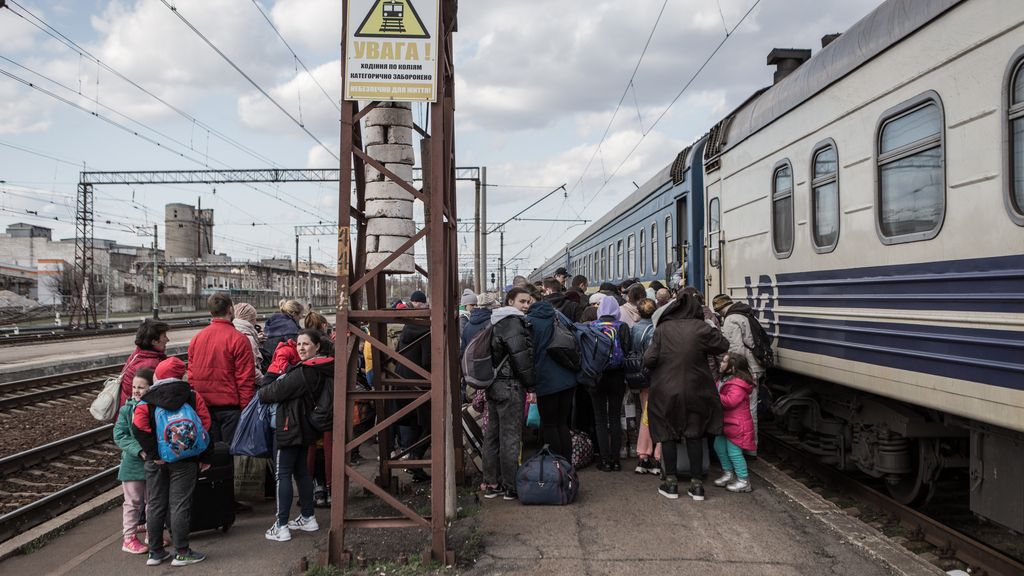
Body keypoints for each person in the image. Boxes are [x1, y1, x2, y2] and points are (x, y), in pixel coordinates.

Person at [643, 293, 730, 501]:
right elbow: (723, 345)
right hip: (696, 388)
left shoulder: (663, 329)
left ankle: (671, 483)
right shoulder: (701, 327)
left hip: (666, 390)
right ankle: (697, 486)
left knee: (667, 433)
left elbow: (649, 359)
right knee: (694, 433)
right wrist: (709, 326)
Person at [131, 357, 211, 566]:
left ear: (158, 376)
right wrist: (204, 456)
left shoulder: (147, 400)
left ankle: (155, 552)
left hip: (156, 462)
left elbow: (138, 428)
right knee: (180, 505)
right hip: (186, 459)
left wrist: (154, 455)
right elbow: (205, 425)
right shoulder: (192, 396)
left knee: (156, 504)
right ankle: (182, 552)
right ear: (181, 375)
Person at [258, 329, 333, 541]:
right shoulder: (322, 367)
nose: (301, 348)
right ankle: (308, 517)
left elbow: (267, 393)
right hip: (305, 426)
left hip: (288, 427)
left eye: (306, 344)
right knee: (302, 472)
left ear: (317, 346)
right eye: (298, 344)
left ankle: (281, 526)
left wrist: (272, 375)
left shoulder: (304, 372)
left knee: (282, 474)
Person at [482, 287, 536, 500]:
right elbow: (521, 359)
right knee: (511, 437)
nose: (526, 306)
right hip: (511, 385)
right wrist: (531, 386)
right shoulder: (513, 322)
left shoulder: (494, 320)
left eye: (528, 302)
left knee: (492, 435)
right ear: (510, 301)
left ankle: (491, 483)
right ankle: (511, 486)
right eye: (522, 301)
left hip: (493, 385)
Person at [187, 293, 255, 446]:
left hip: (204, 407)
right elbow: (245, 380)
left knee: (210, 451)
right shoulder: (239, 339)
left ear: (211, 312)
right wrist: (246, 411)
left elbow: (191, 376)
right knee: (230, 453)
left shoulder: (197, 338)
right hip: (231, 409)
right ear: (231, 309)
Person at [526, 297, 577, 460]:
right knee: (562, 423)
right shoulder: (559, 317)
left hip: (545, 380)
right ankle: (567, 464)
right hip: (568, 379)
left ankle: (555, 465)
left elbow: (529, 354)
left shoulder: (530, 323)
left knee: (549, 424)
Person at [712, 293, 765, 443]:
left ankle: (748, 444)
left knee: (746, 409)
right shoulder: (745, 314)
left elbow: (736, 350)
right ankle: (751, 444)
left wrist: (733, 371)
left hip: (745, 369)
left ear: (720, 309)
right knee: (751, 407)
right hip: (754, 365)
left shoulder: (730, 320)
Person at [589, 297, 632, 471]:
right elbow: (627, 351)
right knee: (615, 417)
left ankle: (604, 460)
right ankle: (616, 460)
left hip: (597, 376)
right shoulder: (622, 326)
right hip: (617, 376)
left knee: (600, 419)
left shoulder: (591, 326)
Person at [115, 367, 153, 555]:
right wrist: (139, 450)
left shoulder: (153, 408)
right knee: (132, 503)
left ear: (151, 388)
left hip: (151, 462)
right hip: (132, 464)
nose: (136, 391)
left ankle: (152, 534)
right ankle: (129, 538)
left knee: (152, 501)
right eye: (134, 387)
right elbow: (119, 434)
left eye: (141, 387)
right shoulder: (126, 410)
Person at [394, 290, 431, 483]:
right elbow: (427, 361)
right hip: (420, 384)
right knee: (432, 425)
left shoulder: (406, 330)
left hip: (401, 381)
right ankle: (415, 459)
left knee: (414, 424)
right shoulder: (426, 332)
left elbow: (397, 354)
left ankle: (413, 463)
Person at [713, 354, 756, 493]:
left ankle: (744, 480)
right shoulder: (723, 379)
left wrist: (713, 395)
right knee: (719, 446)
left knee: (734, 453)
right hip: (726, 422)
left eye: (724, 362)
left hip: (737, 424)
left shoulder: (738, 384)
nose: (720, 363)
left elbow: (730, 402)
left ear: (732, 368)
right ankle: (729, 473)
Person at [630, 298, 661, 475]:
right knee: (658, 415)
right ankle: (657, 455)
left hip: (640, 378)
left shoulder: (634, 328)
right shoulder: (656, 330)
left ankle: (643, 454)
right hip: (654, 377)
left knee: (645, 415)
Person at [119, 319, 169, 408]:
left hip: (126, 406)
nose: (167, 339)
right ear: (154, 342)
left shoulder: (137, 354)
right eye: (164, 336)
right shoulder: (150, 364)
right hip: (136, 412)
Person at [261, 299, 304, 368]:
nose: (301, 317)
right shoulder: (291, 329)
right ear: (294, 314)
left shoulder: (272, 322)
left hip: (266, 364)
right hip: (282, 366)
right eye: (300, 315)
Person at [232, 303, 264, 382]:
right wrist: (265, 382)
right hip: (247, 384)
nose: (256, 322)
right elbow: (252, 370)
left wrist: (257, 340)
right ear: (250, 319)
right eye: (255, 319)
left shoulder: (232, 331)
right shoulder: (248, 338)